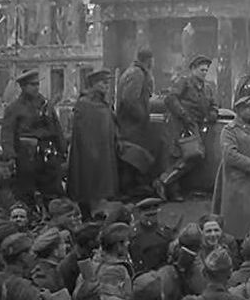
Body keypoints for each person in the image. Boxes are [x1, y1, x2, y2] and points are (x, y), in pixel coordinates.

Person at [0, 70, 66, 209]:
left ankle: (52, 215)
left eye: (37, 84)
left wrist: (62, 149)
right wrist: (10, 156)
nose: (36, 87)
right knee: (27, 190)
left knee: (52, 187)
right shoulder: (14, 108)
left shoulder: (45, 105)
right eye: (32, 85)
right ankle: (30, 218)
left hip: (47, 152)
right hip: (26, 155)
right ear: (23, 87)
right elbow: (7, 133)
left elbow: (56, 128)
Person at [158, 54, 218, 202]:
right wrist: (184, 115)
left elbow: (214, 105)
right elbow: (170, 99)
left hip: (194, 125)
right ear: (192, 69)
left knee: (194, 155)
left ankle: (164, 181)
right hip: (179, 123)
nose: (204, 73)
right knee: (177, 155)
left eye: (206, 70)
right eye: (201, 69)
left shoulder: (208, 88)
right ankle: (173, 190)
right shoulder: (184, 82)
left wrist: (212, 114)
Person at [211, 95, 250, 240]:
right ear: (240, 110)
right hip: (238, 181)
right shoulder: (229, 130)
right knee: (239, 218)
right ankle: (237, 243)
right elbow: (230, 154)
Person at [68, 69, 119, 217]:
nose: (106, 86)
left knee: (102, 185)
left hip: (104, 151)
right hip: (88, 153)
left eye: (108, 83)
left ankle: (98, 209)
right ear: (94, 84)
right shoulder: (84, 104)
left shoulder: (103, 103)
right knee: (89, 182)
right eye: (103, 83)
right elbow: (82, 133)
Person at [115, 48, 159, 196]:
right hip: (131, 124)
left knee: (133, 155)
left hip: (129, 123)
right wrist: (142, 117)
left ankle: (131, 188)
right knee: (132, 156)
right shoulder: (137, 74)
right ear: (149, 60)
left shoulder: (134, 72)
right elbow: (130, 100)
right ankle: (129, 190)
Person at [129, 198, 173, 275]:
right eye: (147, 215)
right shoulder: (131, 233)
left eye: (153, 215)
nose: (150, 218)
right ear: (140, 214)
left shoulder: (165, 232)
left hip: (161, 275)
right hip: (140, 276)